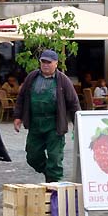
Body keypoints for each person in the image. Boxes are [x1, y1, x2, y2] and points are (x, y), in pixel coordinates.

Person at [13, 49, 81, 183]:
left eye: (49, 62)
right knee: (32, 156)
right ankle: (49, 173)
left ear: (56, 63)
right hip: (35, 124)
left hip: (55, 126)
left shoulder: (63, 80)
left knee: (55, 158)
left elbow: (74, 103)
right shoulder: (32, 77)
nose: (45, 65)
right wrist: (18, 116)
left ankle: (55, 187)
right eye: (43, 62)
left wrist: (78, 124)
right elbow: (21, 97)